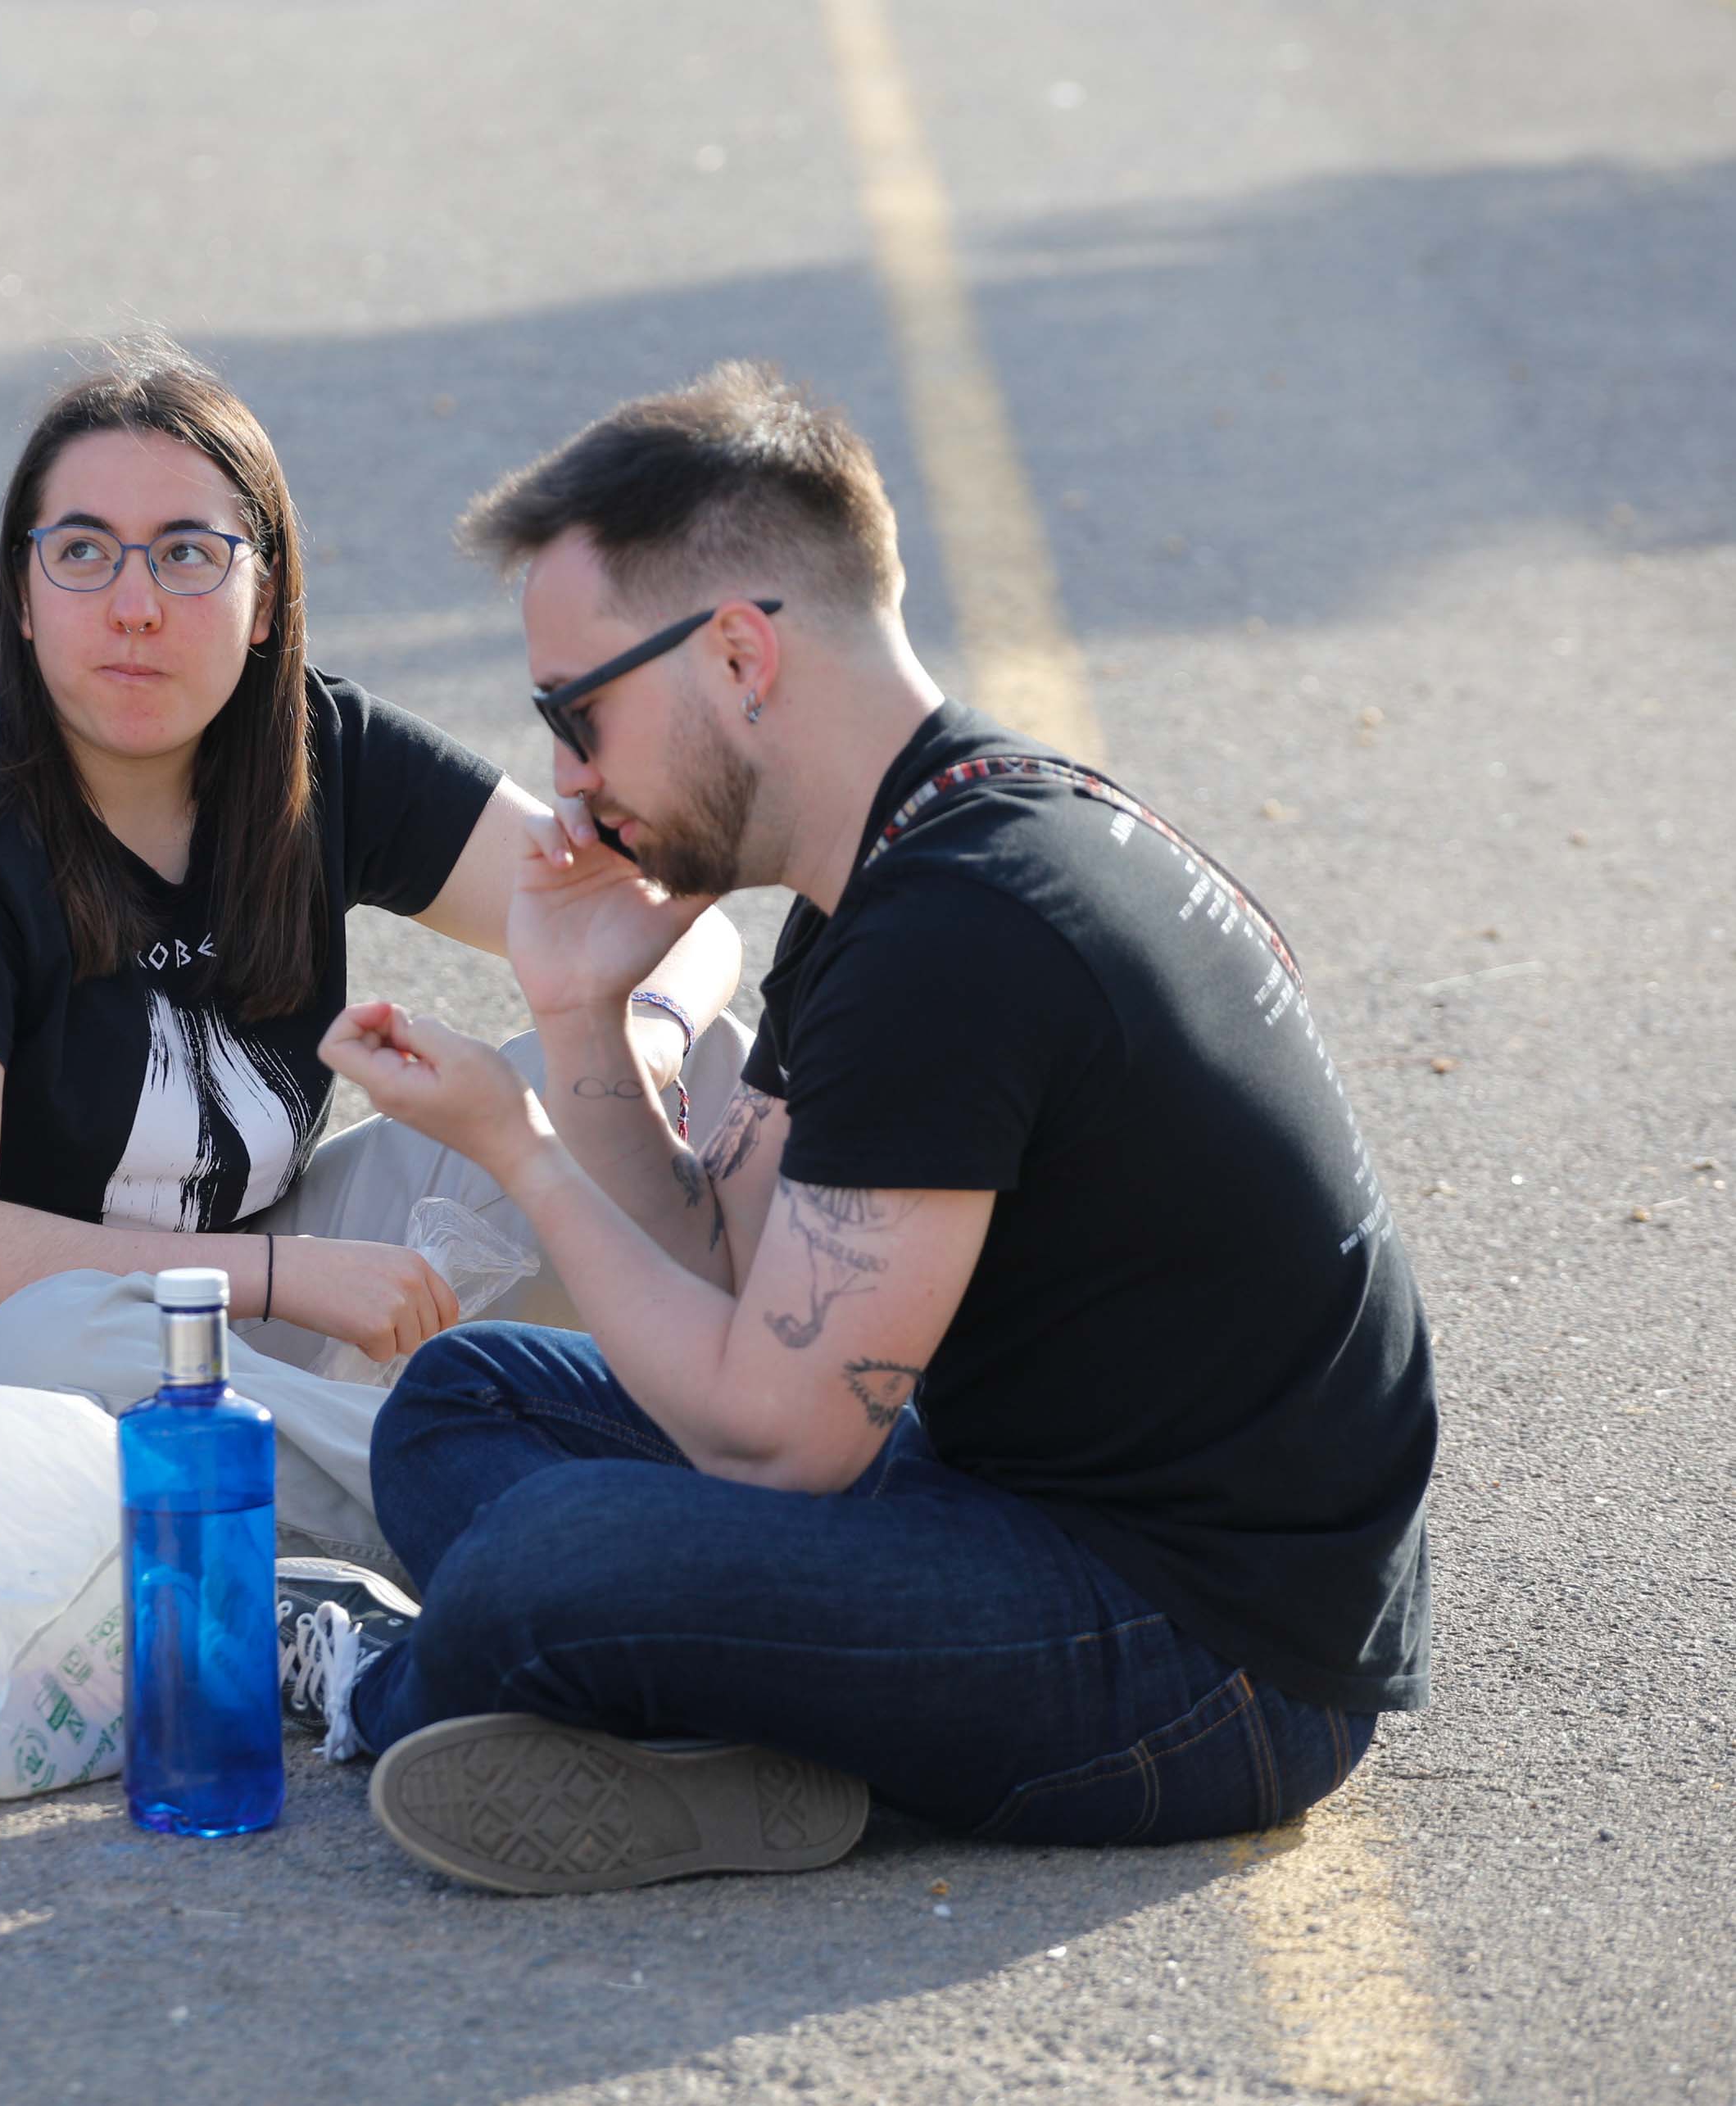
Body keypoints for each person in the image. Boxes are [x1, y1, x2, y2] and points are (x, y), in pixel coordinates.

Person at [283, 362, 1438, 1895]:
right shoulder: (918, 854)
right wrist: (575, 1023)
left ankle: (392, 1687)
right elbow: (732, 1271)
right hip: (1041, 1524)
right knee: (467, 1401)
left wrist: (520, 1152)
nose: (565, 780)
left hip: (1215, 1669)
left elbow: (770, 1445)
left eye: (576, 713)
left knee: (538, 1571)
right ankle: (742, 1744)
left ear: (741, 655)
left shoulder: (958, 938)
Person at [0, 349, 742, 1489]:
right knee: (89, 1349)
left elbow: (671, 921)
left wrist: (643, 1046)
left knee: (703, 1071)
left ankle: (758, 1431)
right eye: (80, 553)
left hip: (241, 1296)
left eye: (185, 555)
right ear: (22, 597)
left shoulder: (317, 750)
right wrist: (283, 1280)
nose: (132, 607)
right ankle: (517, 1499)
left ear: (262, 599)